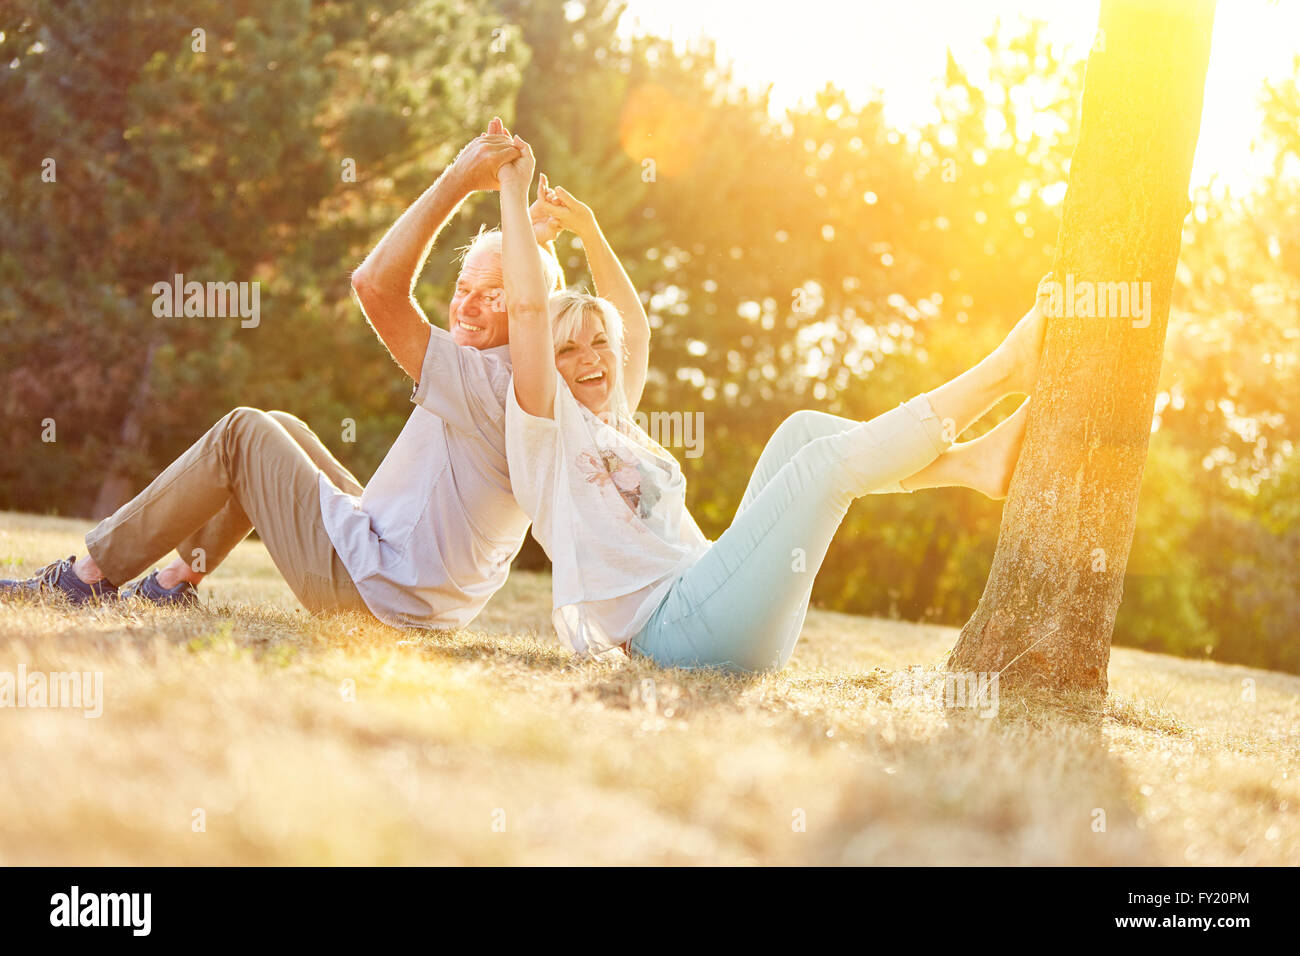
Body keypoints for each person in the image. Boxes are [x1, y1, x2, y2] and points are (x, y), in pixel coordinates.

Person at [496, 135, 1047, 672]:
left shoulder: (613, 420)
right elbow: (525, 311)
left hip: (726, 605)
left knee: (803, 433)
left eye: (597, 342)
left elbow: (633, 330)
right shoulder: (546, 428)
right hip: (675, 633)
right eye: (566, 350)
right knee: (821, 465)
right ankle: (1001, 373)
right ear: (545, 365)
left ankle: (973, 465)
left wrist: (590, 230)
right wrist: (513, 197)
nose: (590, 358)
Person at [2, 118, 562, 630]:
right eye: (463, 288)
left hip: (378, 595)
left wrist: (459, 180)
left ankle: (86, 579)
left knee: (242, 433)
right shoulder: (527, 384)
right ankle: (172, 583)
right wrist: (522, 238)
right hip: (414, 591)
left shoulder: (488, 382)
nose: (466, 306)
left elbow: (373, 285)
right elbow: (541, 308)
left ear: (526, 308)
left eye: (493, 296)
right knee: (280, 430)